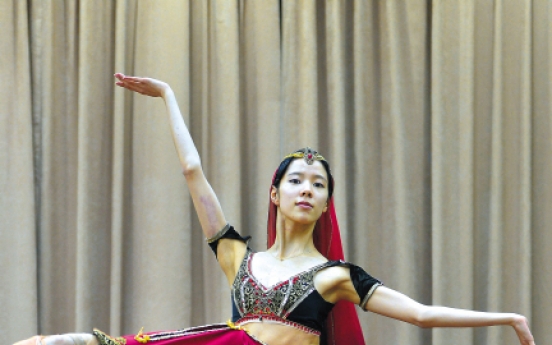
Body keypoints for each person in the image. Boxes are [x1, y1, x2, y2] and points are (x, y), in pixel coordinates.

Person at [14, 74, 536, 345]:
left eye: (318, 184)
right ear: (275, 193)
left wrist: (507, 318)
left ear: (328, 202)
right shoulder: (237, 256)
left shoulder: (333, 276)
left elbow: (421, 315)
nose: (306, 189)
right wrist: (169, 96)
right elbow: (193, 171)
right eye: (296, 181)